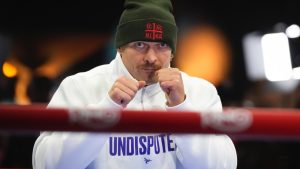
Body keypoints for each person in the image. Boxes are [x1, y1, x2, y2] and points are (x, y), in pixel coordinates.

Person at [32, 0, 237, 168]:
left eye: (162, 45)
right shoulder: (78, 87)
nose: (151, 57)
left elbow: (223, 166)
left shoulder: (200, 92)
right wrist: (105, 110)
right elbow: (45, 164)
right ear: (120, 47)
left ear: (173, 50)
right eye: (140, 44)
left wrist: (182, 110)